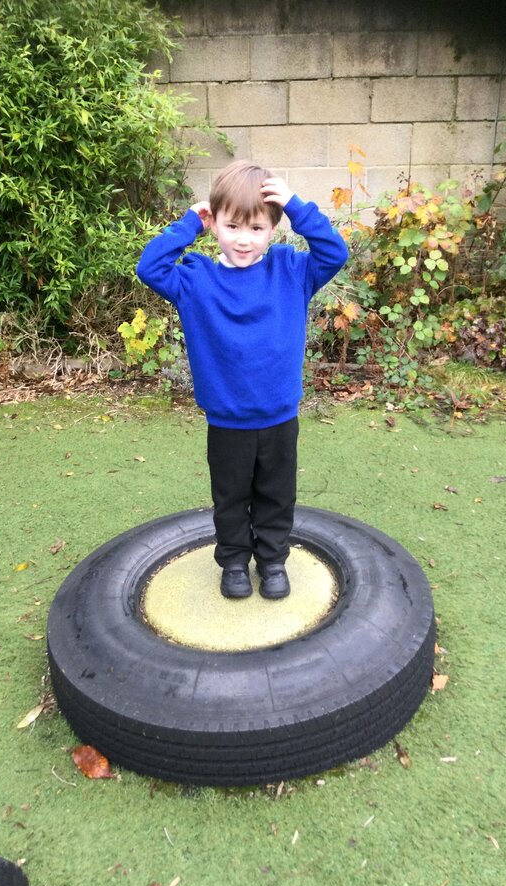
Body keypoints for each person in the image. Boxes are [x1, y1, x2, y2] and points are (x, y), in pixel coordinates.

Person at [135, 159, 349, 599]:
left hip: (278, 418)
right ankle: (234, 561)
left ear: (273, 228)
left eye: (256, 228)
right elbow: (149, 267)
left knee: (277, 496)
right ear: (214, 224)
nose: (244, 239)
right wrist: (189, 223)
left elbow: (335, 253)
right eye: (232, 226)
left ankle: (272, 561)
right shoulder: (195, 279)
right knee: (230, 498)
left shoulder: (292, 271)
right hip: (227, 420)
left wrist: (295, 205)